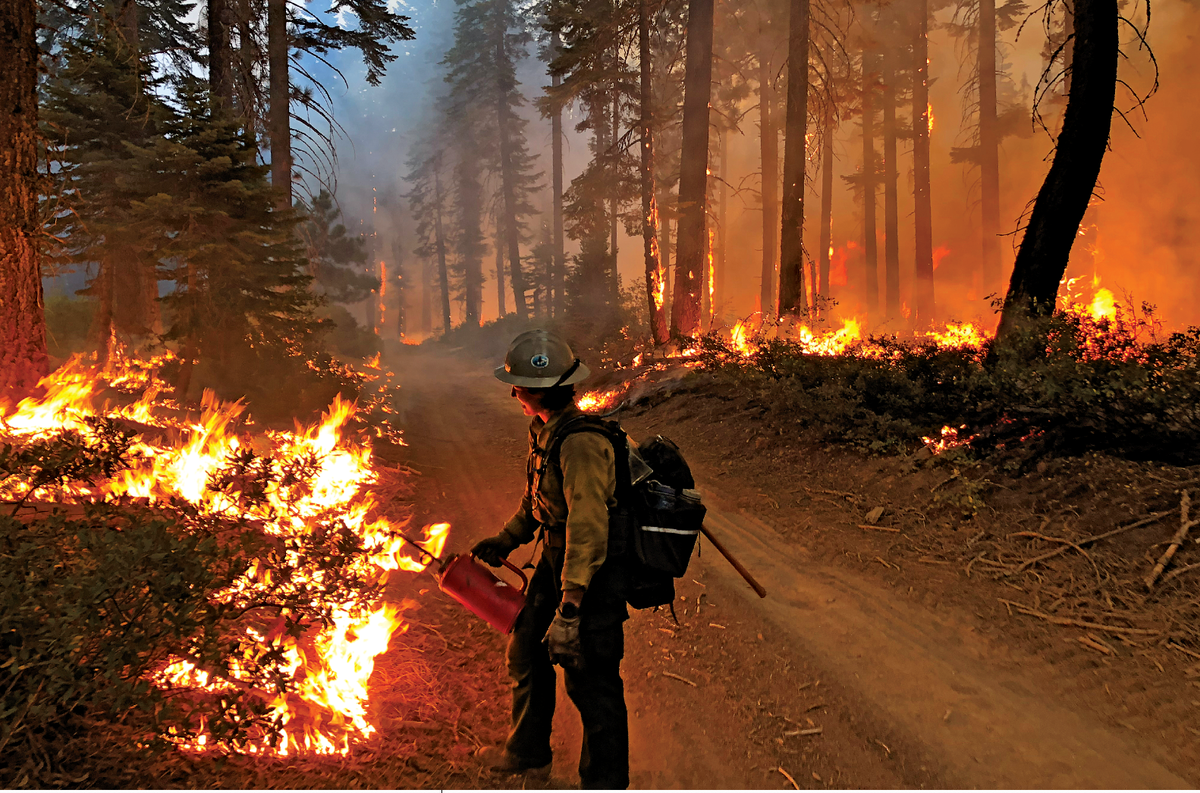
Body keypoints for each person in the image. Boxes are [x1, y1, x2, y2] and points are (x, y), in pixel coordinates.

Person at [471, 329, 630, 790]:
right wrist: (505, 540)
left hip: (591, 572)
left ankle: (605, 782)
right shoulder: (544, 430)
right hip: (557, 560)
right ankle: (528, 752)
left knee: (590, 678)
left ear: (539, 389)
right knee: (526, 648)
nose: (513, 393)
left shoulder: (580, 444)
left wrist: (572, 605)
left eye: (517, 385)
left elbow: (588, 526)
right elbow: (537, 503)